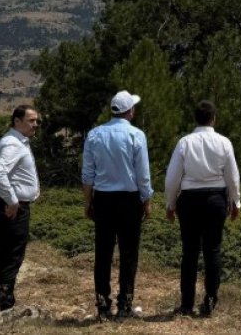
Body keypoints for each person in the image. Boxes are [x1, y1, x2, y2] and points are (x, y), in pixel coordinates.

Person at [164, 100, 241, 317]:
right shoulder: (224, 142)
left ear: (195, 119)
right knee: (212, 250)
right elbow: (232, 177)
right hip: (216, 199)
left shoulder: (184, 143)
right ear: (214, 118)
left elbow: (172, 178)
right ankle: (209, 301)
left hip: (189, 200)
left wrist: (170, 204)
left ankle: (186, 304)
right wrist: (236, 202)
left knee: (189, 252)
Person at [81, 90, 153, 320]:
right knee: (129, 253)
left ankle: (102, 306)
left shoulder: (94, 135)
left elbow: (87, 175)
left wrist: (88, 201)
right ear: (130, 111)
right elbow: (143, 174)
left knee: (102, 253)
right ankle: (125, 304)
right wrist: (147, 200)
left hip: (103, 198)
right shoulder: (136, 135)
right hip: (129, 200)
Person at [0, 105, 40, 311]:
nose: (35, 125)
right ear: (17, 121)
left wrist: (31, 191)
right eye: (31, 120)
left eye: (37, 121)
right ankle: (3, 304)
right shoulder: (13, 144)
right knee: (11, 256)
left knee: (3, 254)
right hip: (10, 207)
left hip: (6, 203)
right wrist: (14, 200)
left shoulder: (17, 141)